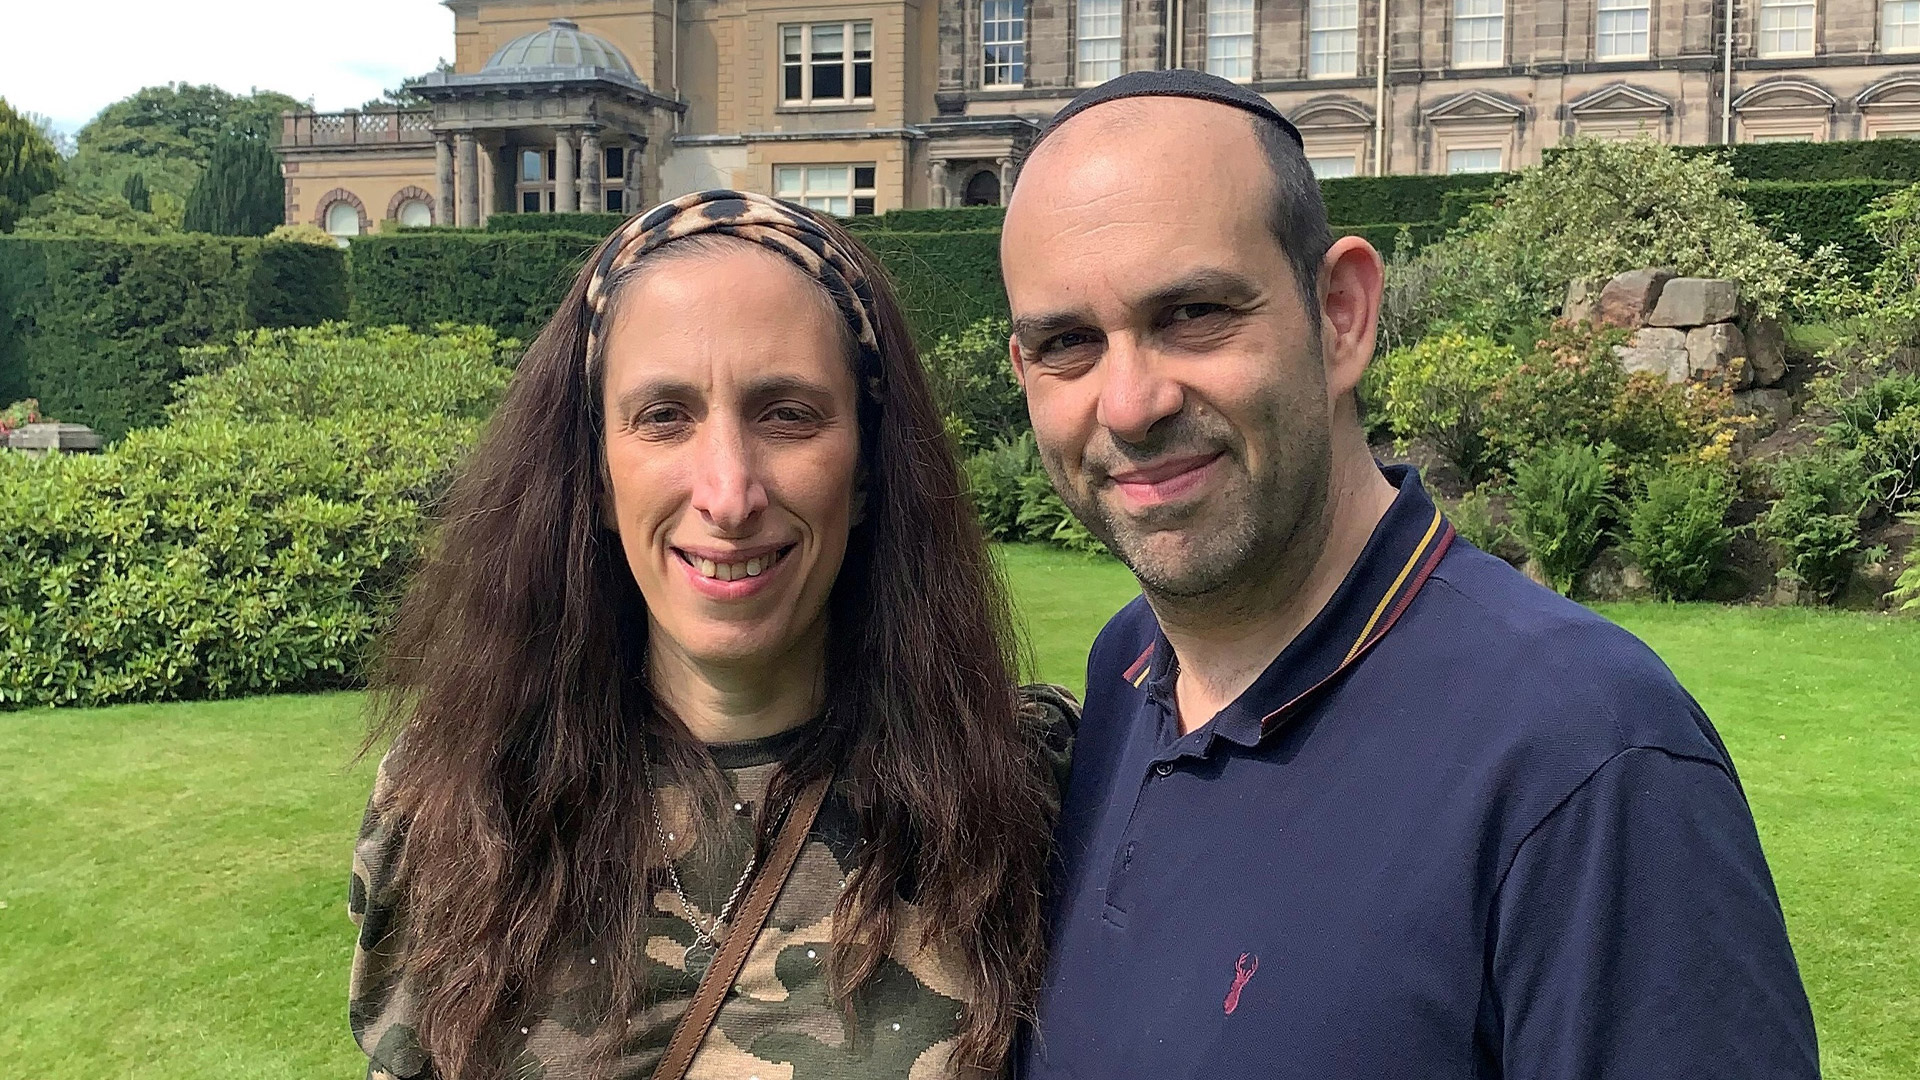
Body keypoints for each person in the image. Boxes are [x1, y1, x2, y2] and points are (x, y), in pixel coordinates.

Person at [1001, 70, 1818, 1079]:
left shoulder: (1586, 756)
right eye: (1067, 343)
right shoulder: (1129, 668)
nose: (1129, 404)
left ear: (1341, 315)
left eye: (1195, 312)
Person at [348, 191, 1073, 1080]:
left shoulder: (1024, 790)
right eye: (664, 416)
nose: (728, 496)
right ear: (598, 476)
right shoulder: (454, 798)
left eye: (787, 413)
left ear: (866, 471)